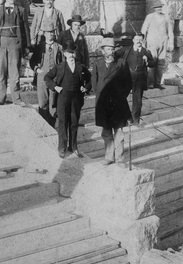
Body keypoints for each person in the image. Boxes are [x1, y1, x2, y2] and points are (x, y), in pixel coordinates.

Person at [92, 36, 132, 165]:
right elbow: (94, 84)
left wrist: (120, 95)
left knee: (119, 133)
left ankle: (119, 158)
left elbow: (128, 83)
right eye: (107, 49)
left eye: (112, 49)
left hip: (118, 103)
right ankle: (109, 157)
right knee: (106, 132)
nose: (110, 52)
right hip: (103, 104)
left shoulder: (121, 63)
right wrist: (100, 96)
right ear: (103, 51)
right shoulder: (97, 64)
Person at [0, 0, 30, 106]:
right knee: (1, 72)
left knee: (15, 72)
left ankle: (16, 98)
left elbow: (25, 29)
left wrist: (27, 46)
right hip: (1, 42)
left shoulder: (20, 10)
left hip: (15, 43)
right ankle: (0, 98)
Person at [45, 45, 91, 158]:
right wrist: (55, 87)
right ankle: (62, 148)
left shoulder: (81, 67)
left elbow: (91, 79)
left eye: (72, 53)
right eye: (68, 53)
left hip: (76, 99)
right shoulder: (60, 67)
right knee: (63, 123)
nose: (71, 55)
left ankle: (74, 147)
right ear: (64, 54)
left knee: (74, 123)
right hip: (63, 98)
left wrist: (86, 88)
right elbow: (47, 78)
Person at [118, 33, 154, 124]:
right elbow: (114, 55)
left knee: (137, 100)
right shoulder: (126, 50)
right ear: (133, 40)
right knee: (120, 97)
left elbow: (153, 63)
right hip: (127, 77)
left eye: (140, 39)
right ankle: (127, 116)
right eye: (137, 39)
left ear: (143, 41)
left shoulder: (146, 51)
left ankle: (135, 120)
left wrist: (147, 61)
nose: (138, 41)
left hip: (139, 79)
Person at [30, 26, 63, 126]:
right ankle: (44, 126)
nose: (50, 35)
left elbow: (62, 63)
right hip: (42, 77)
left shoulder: (59, 47)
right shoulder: (40, 46)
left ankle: (52, 125)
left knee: (53, 103)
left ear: (54, 34)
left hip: (54, 78)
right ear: (44, 34)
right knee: (42, 102)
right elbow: (32, 61)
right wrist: (37, 69)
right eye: (48, 33)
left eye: (52, 33)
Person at [141, 0, 173, 89]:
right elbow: (143, 30)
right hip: (152, 42)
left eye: (160, 7)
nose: (158, 9)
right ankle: (150, 83)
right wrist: (142, 43)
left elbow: (170, 31)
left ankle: (158, 83)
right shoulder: (149, 17)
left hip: (163, 42)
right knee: (152, 62)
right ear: (154, 8)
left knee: (161, 63)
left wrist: (171, 43)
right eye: (156, 7)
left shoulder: (166, 17)